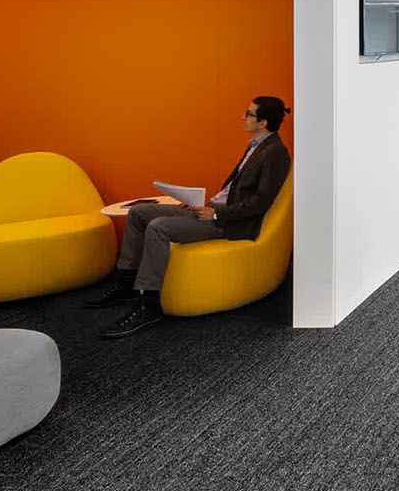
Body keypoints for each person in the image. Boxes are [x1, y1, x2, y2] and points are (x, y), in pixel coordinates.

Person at [88, 96, 293, 339]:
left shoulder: (276, 153)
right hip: (213, 209)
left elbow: (260, 202)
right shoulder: (256, 145)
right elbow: (235, 190)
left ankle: (149, 303)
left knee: (158, 228)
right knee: (138, 213)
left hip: (229, 222)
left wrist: (215, 213)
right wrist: (203, 205)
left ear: (263, 122)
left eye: (248, 114)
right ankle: (126, 282)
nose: (243, 117)